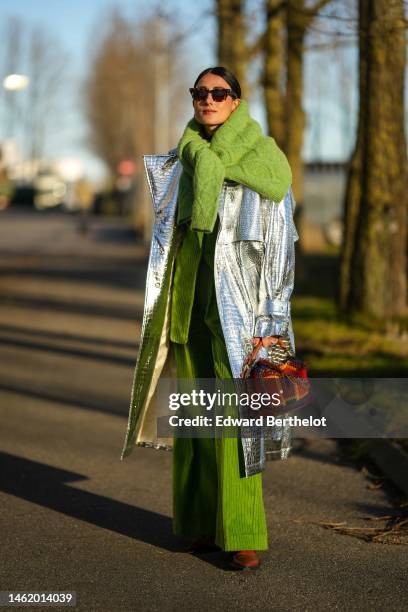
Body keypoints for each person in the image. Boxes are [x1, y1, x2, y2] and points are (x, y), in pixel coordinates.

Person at [121, 66, 299, 570]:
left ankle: (244, 533)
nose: (208, 100)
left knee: (239, 422)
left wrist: (274, 316)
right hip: (187, 304)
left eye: (219, 93)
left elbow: (282, 245)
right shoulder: (185, 159)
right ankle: (198, 523)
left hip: (238, 312)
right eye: (200, 93)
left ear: (237, 102)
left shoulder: (264, 159)